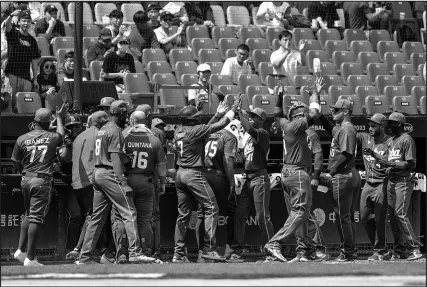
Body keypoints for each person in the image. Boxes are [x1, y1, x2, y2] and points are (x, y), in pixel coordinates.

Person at [76, 100, 156, 265]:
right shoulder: (115, 130)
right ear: (121, 113)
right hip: (110, 174)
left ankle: (84, 257)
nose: (127, 117)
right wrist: (123, 181)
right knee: (129, 212)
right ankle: (135, 253)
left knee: (97, 217)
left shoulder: (101, 129)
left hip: (98, 173)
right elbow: (114, 158)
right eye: (126, 113)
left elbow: (112, 155)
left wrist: (124, 158)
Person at [172, 97, 242, 263]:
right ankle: (209, 249)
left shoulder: (178, 130)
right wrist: (233, 108)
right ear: (192, 120)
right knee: (212, 207)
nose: (198, 117)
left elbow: (205, 129)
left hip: (180, 174)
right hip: (193, 174)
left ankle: (178, 254)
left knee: (183, 215)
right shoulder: (194, 131)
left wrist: (216, 114)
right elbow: (220, 124)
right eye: (196, 116)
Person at [263, 78, 323, 263]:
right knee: (301, 211)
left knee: (299, 213)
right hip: (297, 173)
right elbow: (314, 113)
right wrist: (315, 94)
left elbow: (276, 115)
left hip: (288, 172)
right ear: (299, 116)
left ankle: (305, 250)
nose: (305, 115)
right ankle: (275, 243)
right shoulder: (297, 126)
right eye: (302, 113)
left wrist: (279, 97)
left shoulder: (285, 125)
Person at [11, 104, 68, 266]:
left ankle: (20, 251)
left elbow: (15, 161)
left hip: (25, 178)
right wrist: (59, 117)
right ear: (47, 123)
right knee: (36, 218)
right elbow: (61, 135)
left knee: (28, 214)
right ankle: (30, 258)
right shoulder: (52, 136)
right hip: (41, 180)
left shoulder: (22, 138)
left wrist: (23, 171)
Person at [368, 112, 423, 261]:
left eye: (391, 122)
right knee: (392, 217)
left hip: (403, 181)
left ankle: (414, 249)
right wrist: (374, 155)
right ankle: (400, 250)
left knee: (400, 214)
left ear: (398, 124)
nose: (388, 124)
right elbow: (388, 160)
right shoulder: (391, 141)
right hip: (391, 181)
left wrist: (392, 164)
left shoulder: (407, 139)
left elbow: (411, 163)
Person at [224, 106, 272, 263]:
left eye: (255, 116)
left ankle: (272, 250)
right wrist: (241, 110)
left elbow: (249, 128)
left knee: (262, 217)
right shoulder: (248, 136)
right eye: (250, 115)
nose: (251, 117)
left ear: (262, 120)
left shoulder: (262, 134)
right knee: (239, 215)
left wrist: (239, 113)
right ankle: (237, 250)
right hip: (248, 180)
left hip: (259, 179)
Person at [318, 98, 361, 262]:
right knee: (347, 217)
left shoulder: (347, 129)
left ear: (346, 112)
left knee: (343, 217)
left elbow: (347, 154)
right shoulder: (342, 128)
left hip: (343, 175)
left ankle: (348, 252)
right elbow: (331, 129)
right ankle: (350, 251)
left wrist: (331, 171)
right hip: (348, 174)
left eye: (336, 110)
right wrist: (321, 115)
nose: (333, 112)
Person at [120, 110, 167, 261]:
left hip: (127, 180)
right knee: (145, 219)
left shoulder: (124, 137)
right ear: (146, 122)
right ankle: (146, 251)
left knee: (125, 218)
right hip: (146, 181)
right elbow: (161, 166)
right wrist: (163, 182)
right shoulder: (154, 140)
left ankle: (122, 253)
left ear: (132, 121)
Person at [195, 119, 241, 263]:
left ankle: (202, 252)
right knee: (231, 211)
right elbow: (228, 160)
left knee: (203, 213)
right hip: (219, 176)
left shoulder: (207, 134)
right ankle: (229, 248)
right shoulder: (229, 136)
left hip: (202, 175)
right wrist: (232, 182)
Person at [66, 111, 109, 261]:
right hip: (92, 181)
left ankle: (81, 250)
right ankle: (83, 253)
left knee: (91, 216)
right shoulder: (100, 134)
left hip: (78, 183)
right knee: (94, 217)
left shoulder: (79, 136)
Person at [355, 113, 390, 261]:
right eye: (369, 125)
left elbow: (389, 162)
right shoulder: (364, 138)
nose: (370, 128)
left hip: (382, 182)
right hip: (368, 183)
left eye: (374, 126)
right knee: (365, 217)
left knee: (380, 219)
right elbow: (346, 133)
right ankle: (382, 249)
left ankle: (380, 251)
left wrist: (374, 154)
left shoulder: (389, 142)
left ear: (382, 126)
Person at [4, 9, 41, 113]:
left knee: (23, 107)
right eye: (23, 20)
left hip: (26, 77)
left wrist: (35, 79)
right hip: (12, 74)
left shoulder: (32, 41)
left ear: (30, 23)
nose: (26, 23)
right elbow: (7, 26)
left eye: (28, 21)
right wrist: (11, 15)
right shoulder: (13, 34)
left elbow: (34, 61)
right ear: (19, 22)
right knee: (9, 104)